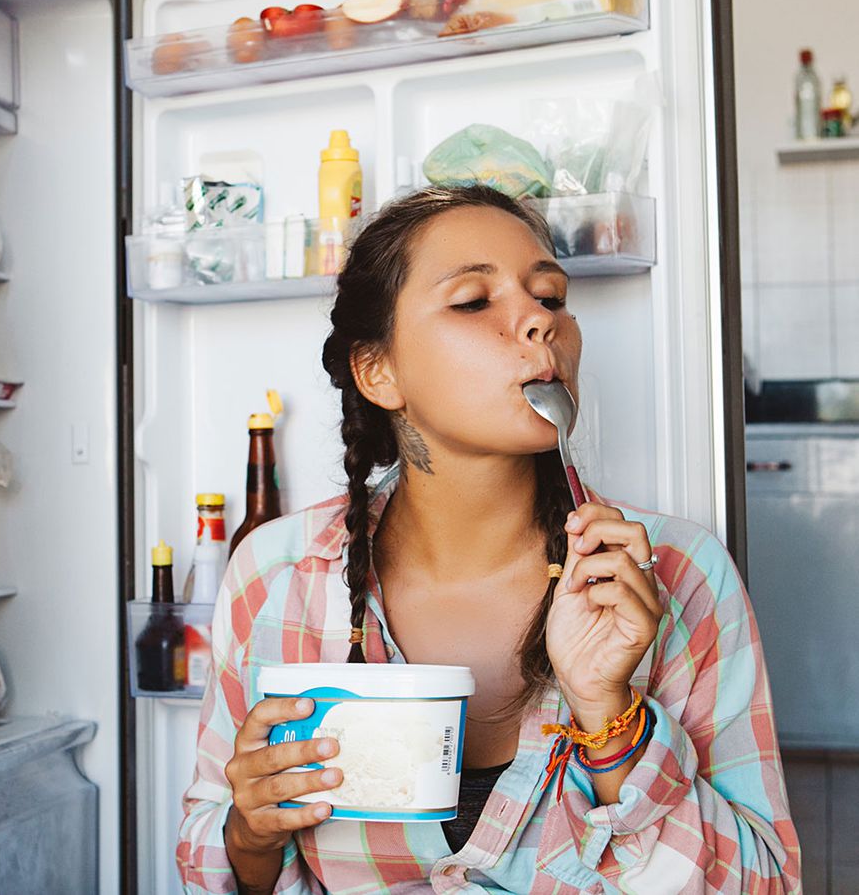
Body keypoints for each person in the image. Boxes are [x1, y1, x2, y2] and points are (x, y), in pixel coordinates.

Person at [177, 185, 801, 894]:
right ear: (378, 371)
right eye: (474, 301)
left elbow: (767, 884)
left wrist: (610, 717)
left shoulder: (680, 572)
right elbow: (216, 853)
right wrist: (249, 835)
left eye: (551, 297)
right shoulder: (275, 573)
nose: (540, 319)